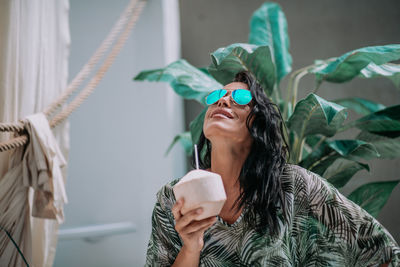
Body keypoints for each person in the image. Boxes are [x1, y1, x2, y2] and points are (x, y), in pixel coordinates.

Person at [145, 71, 400, 266]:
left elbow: (380, 249)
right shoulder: (174, 198)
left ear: (259, 124)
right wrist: (190, 247)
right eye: (216, 97)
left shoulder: (293, 187)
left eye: (240, 98)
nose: (223, 101)